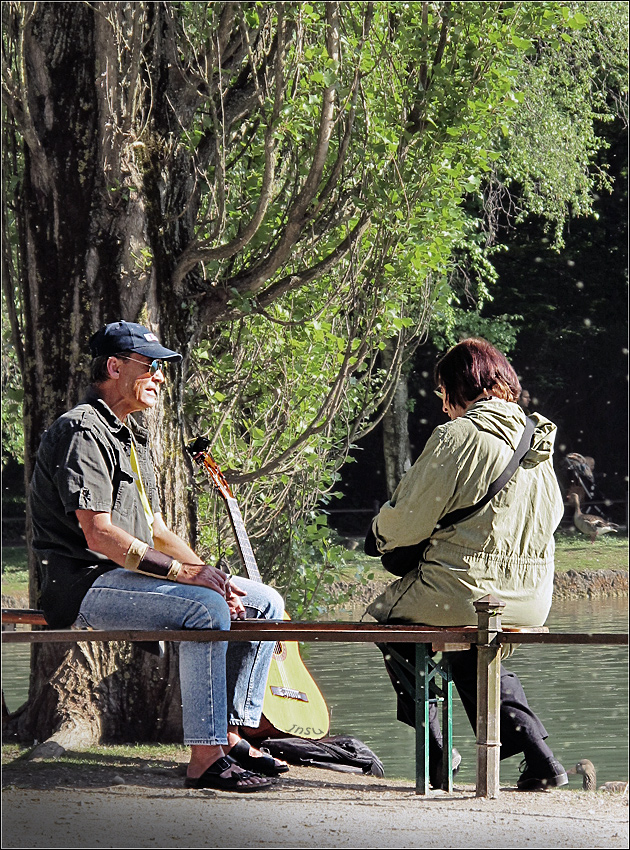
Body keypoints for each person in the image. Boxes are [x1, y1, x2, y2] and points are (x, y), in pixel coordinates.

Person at [30, 320, 287, 792]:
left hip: (127, 578)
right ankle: (205, 759)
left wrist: (213, 575)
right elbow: (98, 535)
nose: (161, 378)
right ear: (114, 367)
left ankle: (230, 735)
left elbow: (157, 531)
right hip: (84, 583)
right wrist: (187, 578)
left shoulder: (129, 434)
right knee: (204, 608)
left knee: (263, 601)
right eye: (150, 366)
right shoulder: (82, 431)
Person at [364, 337, 568, 791]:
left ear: (461, 387)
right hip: (531, 598)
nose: (442, 405)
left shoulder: (457, 437)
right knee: (477, 646)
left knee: (387, 623)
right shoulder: (539, 443)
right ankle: (540, 758)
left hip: (465, 590)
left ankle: (440, 753)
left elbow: (412, 518)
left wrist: (378, 534)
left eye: (442, 393)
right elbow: (552, 518)